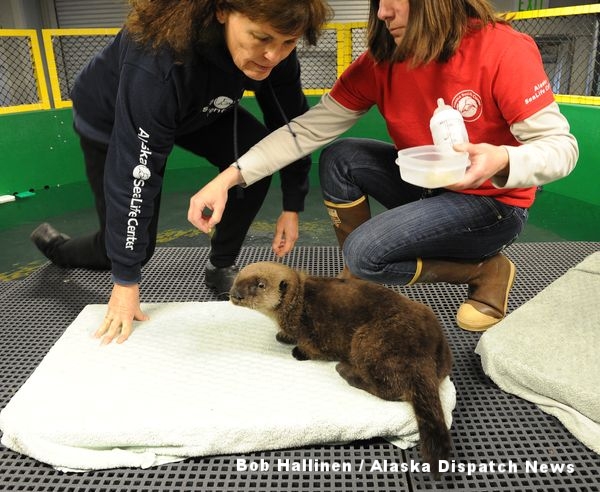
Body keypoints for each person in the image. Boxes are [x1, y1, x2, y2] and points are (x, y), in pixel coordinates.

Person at [187, 0, 579, 332]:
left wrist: (504, 158)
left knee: (366, 253)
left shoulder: (501, 49)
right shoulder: (382, 60)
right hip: (434, 187)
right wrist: (228, 178)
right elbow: (305, 131)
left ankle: (484, 272)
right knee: (342, 157)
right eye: (379, 1)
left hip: (492, 205)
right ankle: (359, 285)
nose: (384, 13)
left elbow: (562, 149)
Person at [30, 0, 332, 344]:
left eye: (288, 43)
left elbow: (290, 127)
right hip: (111, 114)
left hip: (196, 109)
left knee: (253, 158)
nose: (273, 56)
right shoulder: (156, 56)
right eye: (261, 38)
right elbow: (136, 170)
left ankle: (220, 265)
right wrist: (126, 281)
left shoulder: (275, 45)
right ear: (222, 11)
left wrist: (292, 203)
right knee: (129, 247)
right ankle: (60, 250)